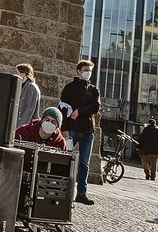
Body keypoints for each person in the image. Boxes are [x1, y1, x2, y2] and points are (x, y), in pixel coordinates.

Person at [59, 59, 100, 206]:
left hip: (88, 130)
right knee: (65, 159)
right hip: (72, 129)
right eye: (85, 70)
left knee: (84, 163)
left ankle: (82, 193)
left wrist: (79, 111)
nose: (87, 72)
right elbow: (63, 108)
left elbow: (96, 107)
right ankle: (62, 188)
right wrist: (63, 128)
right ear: (78, 71)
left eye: (89, 70)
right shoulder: (70, 87)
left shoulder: (93, 89)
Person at [15, 63, 41, 128]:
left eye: (18, 73)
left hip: (27, 126)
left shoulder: (31, 87)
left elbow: (29, 110)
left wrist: (21, 127)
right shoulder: (24, 86)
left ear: (23, 74)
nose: (16, 75)